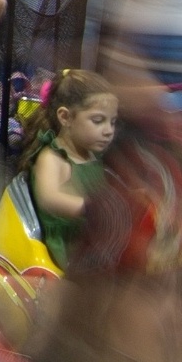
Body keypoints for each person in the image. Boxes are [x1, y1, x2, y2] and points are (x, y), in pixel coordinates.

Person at [20, 67, 116, 269]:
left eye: (113, 122)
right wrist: (90, 208)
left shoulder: (92, 156)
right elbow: (49, 198)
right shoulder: (53, 158)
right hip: (64, 247)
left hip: (91, 241)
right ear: (65, 117)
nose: (109, 131)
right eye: (98, 121)